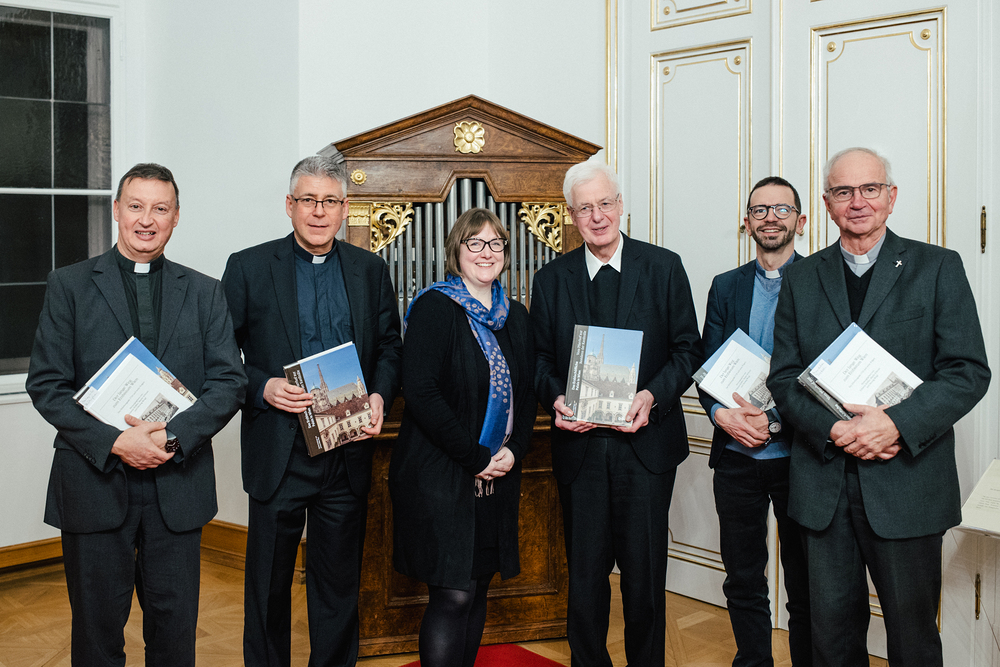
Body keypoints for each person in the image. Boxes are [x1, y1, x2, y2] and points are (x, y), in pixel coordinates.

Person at [768, 147, 991, 666]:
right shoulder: (801, 278)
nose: (858, 202)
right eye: (844, 191)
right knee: (830, 641)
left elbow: (967, 371)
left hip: (908, 485)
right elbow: (783, 377)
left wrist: (894, 424)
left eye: (870, 189)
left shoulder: (938, 267)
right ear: (827, 204)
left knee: (913, 641)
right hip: (824, 488)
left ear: (891, 197)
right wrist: (834, 430)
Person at [26, 163, 247, 666]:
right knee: (97, 635)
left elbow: (229, 382)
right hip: (94, 483)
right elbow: (46, 385)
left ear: (176, 218)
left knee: (175, 635)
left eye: (160, 209)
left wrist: (173, 437)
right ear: (117, 211)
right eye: (136, 206)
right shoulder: (69, 285)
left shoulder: (205, 290)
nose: (147, 220)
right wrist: (114, 442)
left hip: (177, 483)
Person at [222, 156, 403, 667]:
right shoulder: (249, 267)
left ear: (345, 208)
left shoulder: (370, 269)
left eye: (329, 201)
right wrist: (263, 387)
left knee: (338, 588)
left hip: (347, 452)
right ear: (289, 205)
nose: (318, 212)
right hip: (279, 452)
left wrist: (379, 396)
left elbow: (390, 347)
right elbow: (219, 356)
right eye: (308, 200)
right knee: (268, 589)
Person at [531, 160, 702, 667]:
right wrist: (556, 398)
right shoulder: (551, 278)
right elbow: (537, 360)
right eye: (585, 208)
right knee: (584, 581)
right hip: (580, 449)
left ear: (621, 205)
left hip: (646, 449)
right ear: (571, 216)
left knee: (645, 581)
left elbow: (688, 350)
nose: (598, 216)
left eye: (605, 203)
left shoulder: (663, 267)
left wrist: (652, 396)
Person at [389, 207, 536, 667]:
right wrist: (475, 457)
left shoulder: (516, 316)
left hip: (496, 477)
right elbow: (421, 392)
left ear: (506, 253)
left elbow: (527, 393)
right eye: (475, 243)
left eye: (495, 243)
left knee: (477, 588)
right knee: (453, 594)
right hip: (440, 476)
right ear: (456, 251)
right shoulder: (435, 308)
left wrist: (514, 450)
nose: (486, 252)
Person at [698, 176, 810, 667]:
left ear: (800, 222)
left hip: (800, 459)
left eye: (782, 209)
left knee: (806, 582)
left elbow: (823, 374)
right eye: (760, 210)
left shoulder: (820, 281)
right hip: (736, 458)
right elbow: (706, 367)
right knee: (742, 578)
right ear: (747, 222)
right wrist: (720, 414)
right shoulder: (726, 286)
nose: (770, 218)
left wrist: (775, 424)